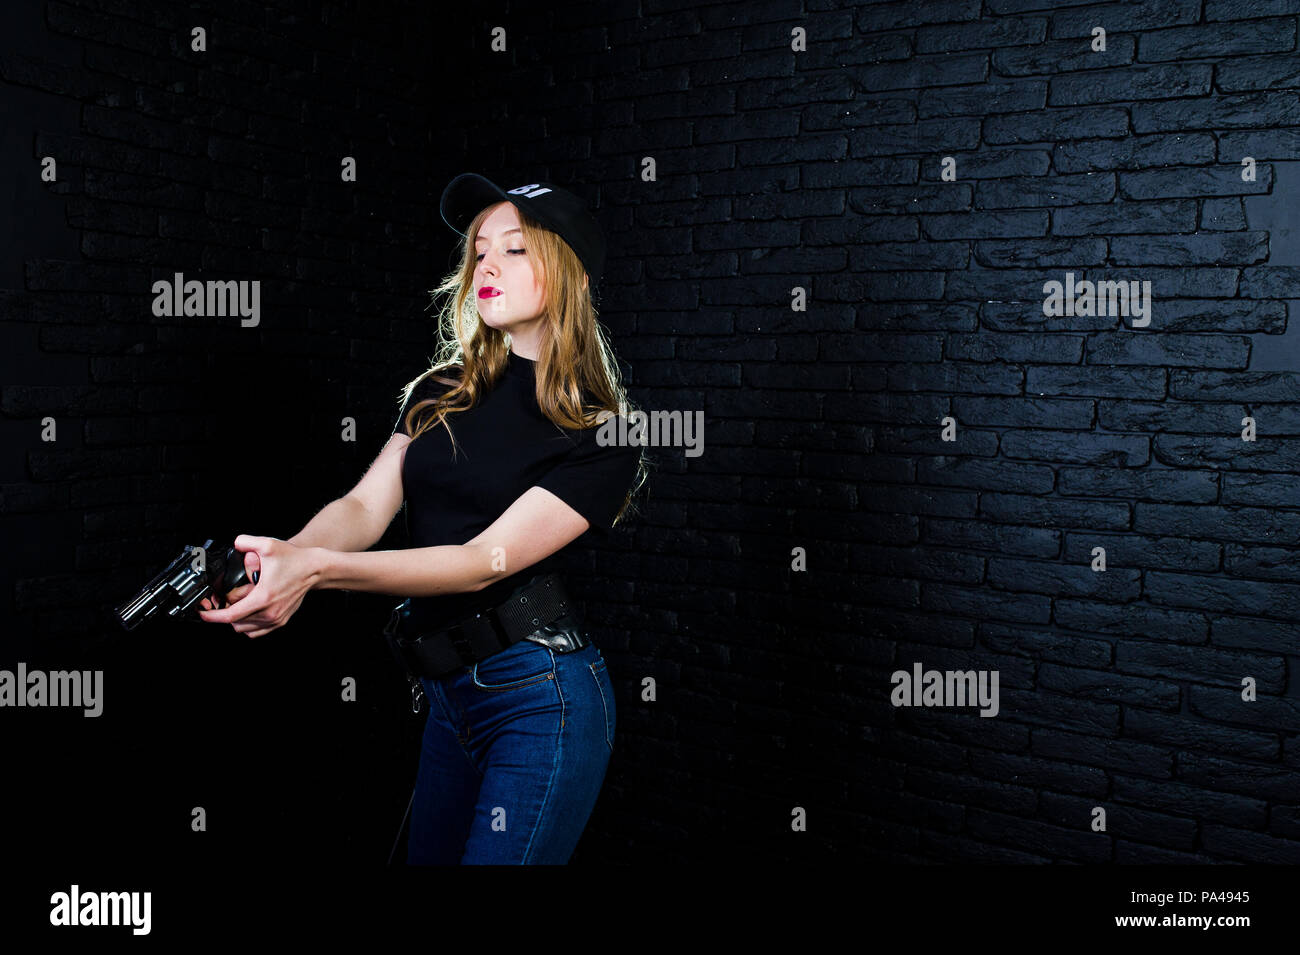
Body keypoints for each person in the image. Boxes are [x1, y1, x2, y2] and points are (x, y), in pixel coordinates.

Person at [197, 174, 648, 864]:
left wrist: (314, 571)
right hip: (447, 696)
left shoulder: (600, 431)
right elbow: (362, 507)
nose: (486, 266)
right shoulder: (442, 390)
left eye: (516, 249)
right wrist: (282, 557)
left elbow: (481, 562)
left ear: (572, 274)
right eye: (479, 250)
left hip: (541, 698)